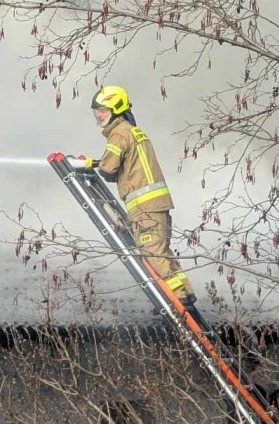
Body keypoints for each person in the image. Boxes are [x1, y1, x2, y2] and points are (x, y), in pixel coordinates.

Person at [81, 85, 196, 306]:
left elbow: (108, 169)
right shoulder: (133, 131)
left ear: (116, 108)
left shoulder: (118, 133)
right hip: (157, 203)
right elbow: (126, 166)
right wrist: (96, 163)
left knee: (152, 252)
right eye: (96, 110)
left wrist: (95, 164)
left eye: (103, 109)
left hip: (144, 206)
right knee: (161, 250)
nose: (98, 114)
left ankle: (177, 299)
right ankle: (186, 292)